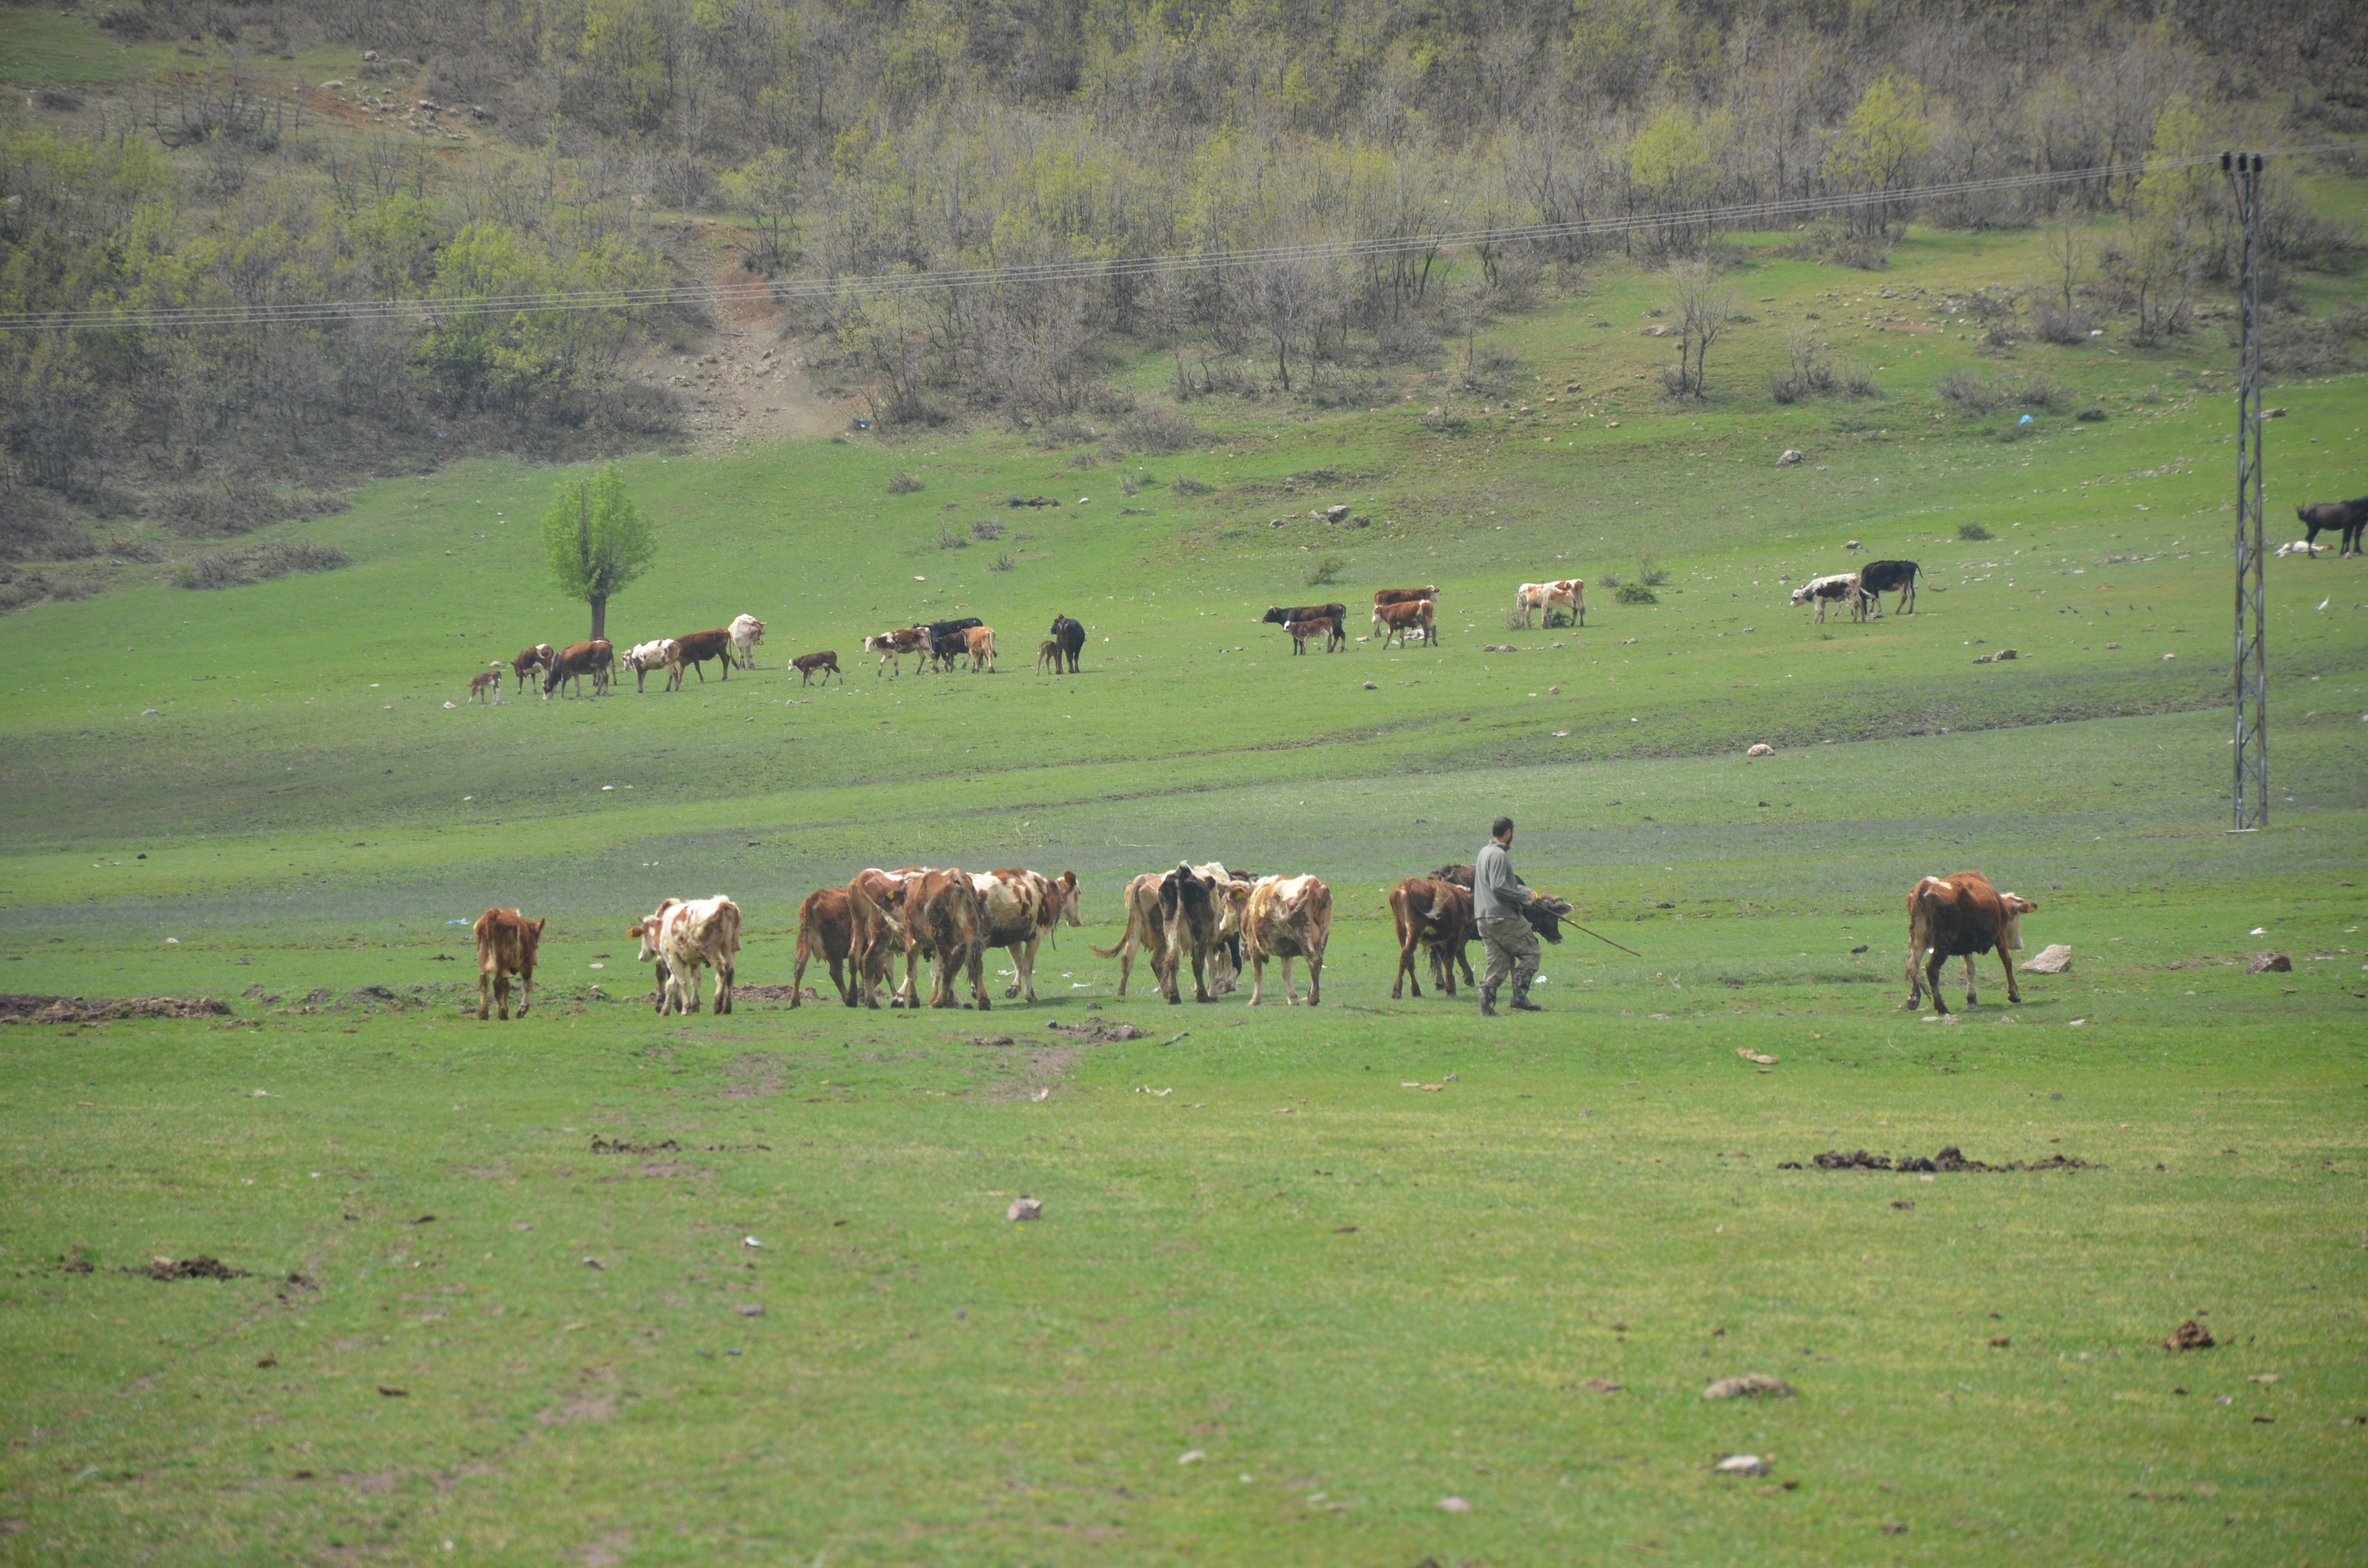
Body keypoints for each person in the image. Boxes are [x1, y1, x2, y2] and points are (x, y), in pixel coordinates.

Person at [1472, 815, 1542, 1016]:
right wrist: (1524, 897)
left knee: (1499, 963)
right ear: (1509, 833)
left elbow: (1497, 884)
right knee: (1532, 952)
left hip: (1483, 918)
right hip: (1503, 917)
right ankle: (1519, 997)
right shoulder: (1499, 856)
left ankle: (1486, 1007)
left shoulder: (1484, 853)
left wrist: (1526, 890)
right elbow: (1499, 886)